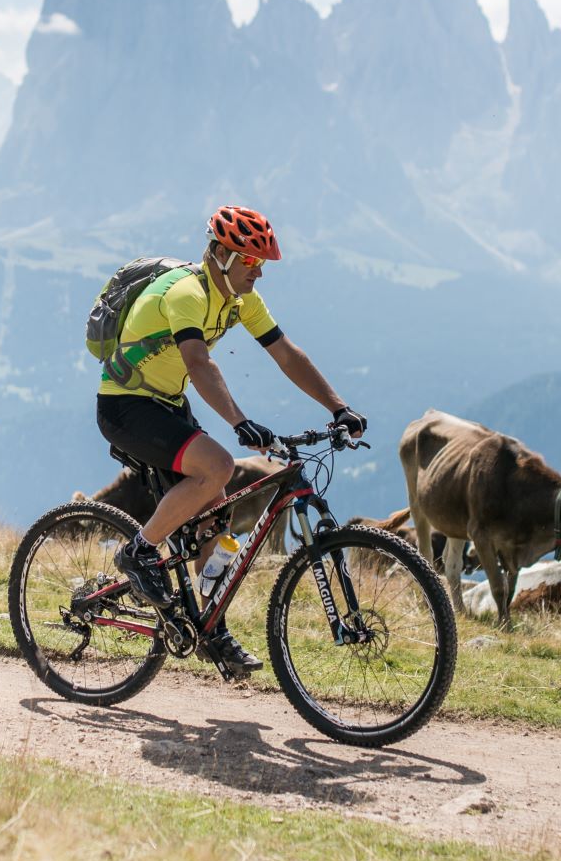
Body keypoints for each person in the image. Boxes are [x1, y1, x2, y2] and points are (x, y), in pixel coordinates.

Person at [98, 205, 366, 673]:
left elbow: (287, 355)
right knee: (218, 466)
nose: (258, 272)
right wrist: (240, 421)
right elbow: (199, 363)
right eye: (249, 260)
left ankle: (211, 631)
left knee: (213, 513)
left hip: (166, 404)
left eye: (261, 264)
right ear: (221, 254)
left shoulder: (241, 301)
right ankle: (138, 552)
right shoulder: (187, 293)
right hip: (126, 406)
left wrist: (338, 408)